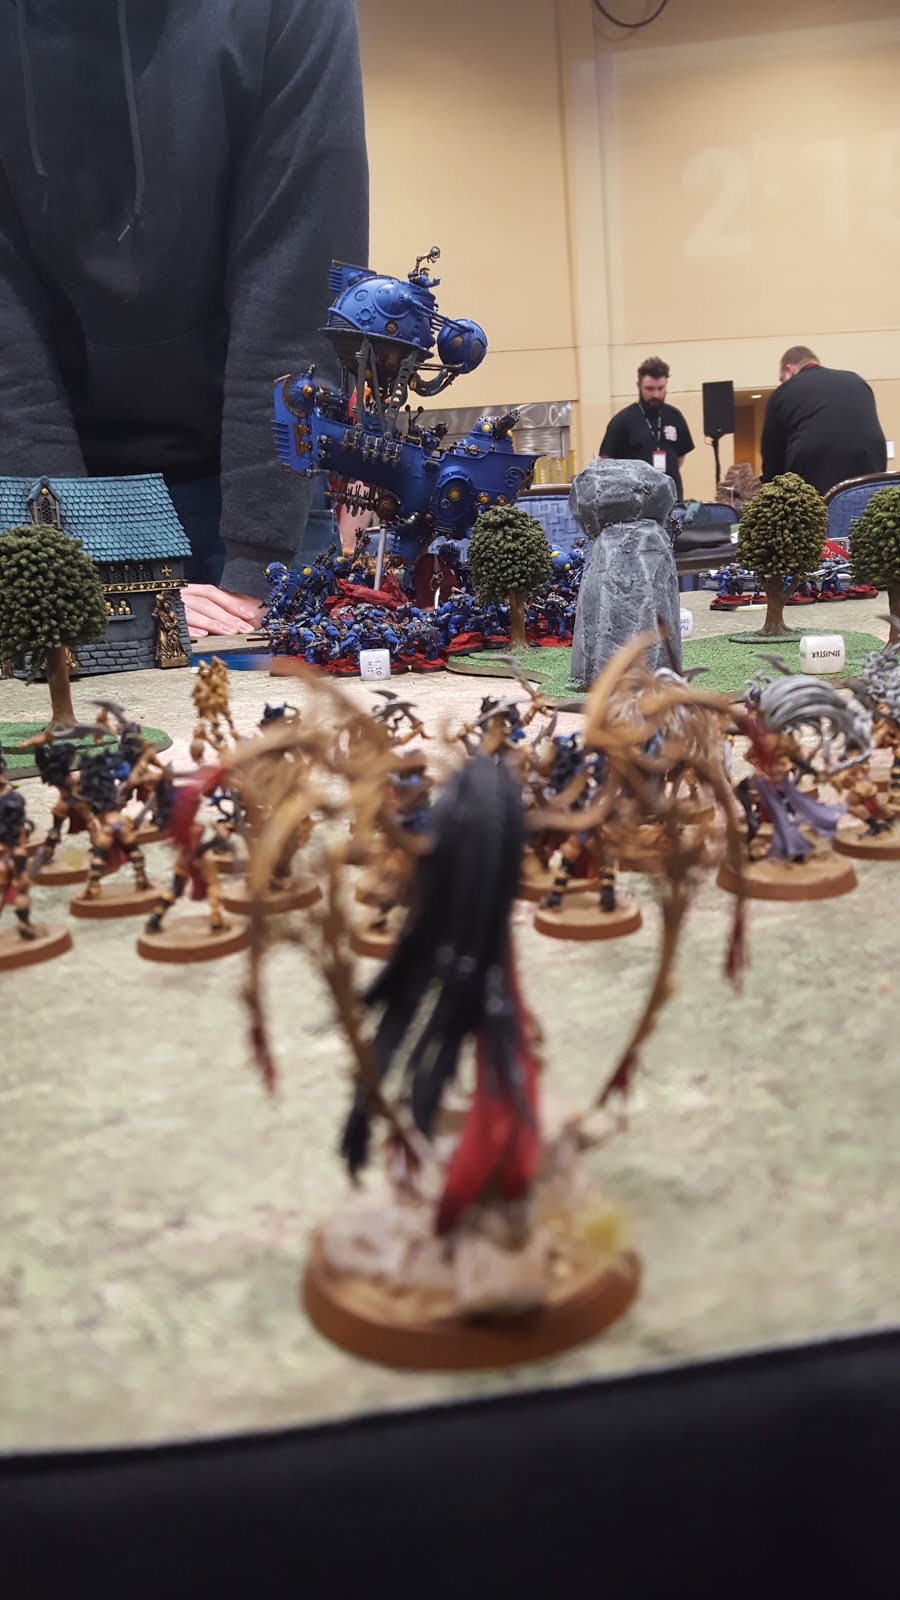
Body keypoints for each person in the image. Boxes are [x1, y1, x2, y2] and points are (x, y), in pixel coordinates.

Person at [0, 0, 367, 640]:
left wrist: (256, 573)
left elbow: (293, 288)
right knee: (70, 687)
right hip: (42, 470)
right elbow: (9, 339)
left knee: (283, 693)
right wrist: (69, 570)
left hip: (257, 474)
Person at [760, 347, 887, 496]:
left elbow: (773, 456)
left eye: (782, 379)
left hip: (814, 475)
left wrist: (770, 491)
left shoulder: (783, 392)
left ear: (789, 369)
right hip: (870, 469)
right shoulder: (856, 380)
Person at [599, 356, 694, 501]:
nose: (656, 394)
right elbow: (606, 461)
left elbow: (680, 456)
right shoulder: (623, 420)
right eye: (649, 389)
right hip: (635, 503)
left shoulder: (675, 416)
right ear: (638, 385)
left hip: (672, 500)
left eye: (661, 388)